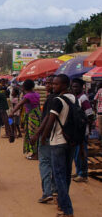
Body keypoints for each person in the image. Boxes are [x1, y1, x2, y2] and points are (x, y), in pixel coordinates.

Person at [40, 74, 74, 217]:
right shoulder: (74, 99)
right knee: (66, 175)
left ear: (65, 85)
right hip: (70, 142)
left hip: (58, 141)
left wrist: (43, 138)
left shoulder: (57, 100)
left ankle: (67, 209)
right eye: (52, 84)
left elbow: (50, 120)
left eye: (56, 84)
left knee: (59, 175)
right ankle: (62, 203)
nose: (53, 86)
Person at [30, 75, 57, 203]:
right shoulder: (66, 98)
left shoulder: (52, 99)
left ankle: (47, 192)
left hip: (48, 136)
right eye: (47, 83)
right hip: (59, 138)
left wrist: (38, 134)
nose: (48, 85)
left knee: (45, 163)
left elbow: (47, 118)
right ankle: (56, 189)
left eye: (51, 83)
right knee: (56, 164)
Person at [11, 79, 41, 160]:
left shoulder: (27, 96)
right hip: (37, 116)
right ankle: (36, 152)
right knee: (36, 134)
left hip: (32, 117)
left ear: (24, 87)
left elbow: (19, 105)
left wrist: (12, 113)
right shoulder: (36, 94)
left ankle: (35, 154)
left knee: (32, 134)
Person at [71, 78, 94, 183]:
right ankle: (79, 171)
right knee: (76, 153)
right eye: (73, 86)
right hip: (76, 131)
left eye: (76, 86)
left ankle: (83, 174)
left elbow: (90, 115)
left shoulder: (83, 98)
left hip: (82, 131)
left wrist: (87, 129)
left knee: (81, 152)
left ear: (82, 87)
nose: (74, 88)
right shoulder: (76, 97)